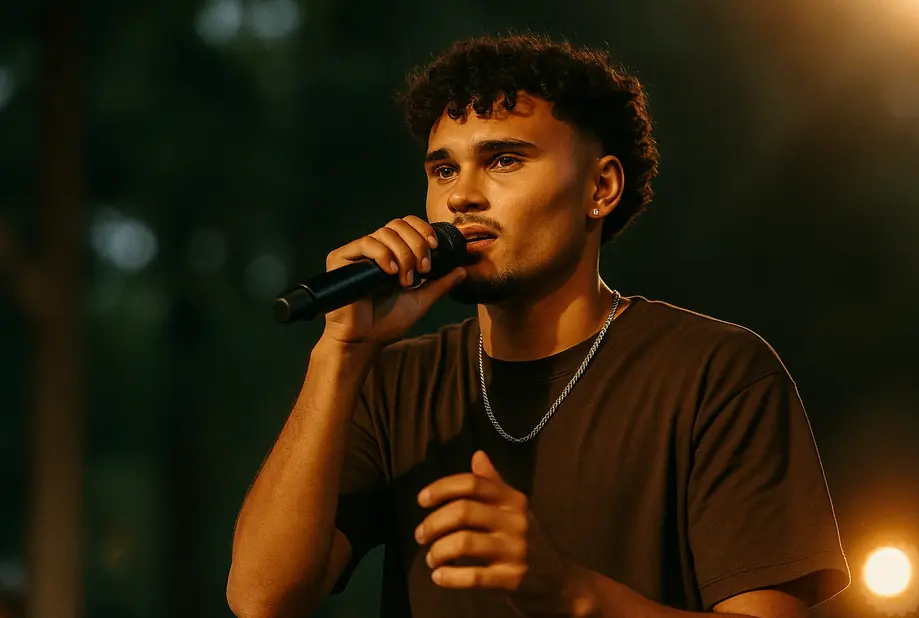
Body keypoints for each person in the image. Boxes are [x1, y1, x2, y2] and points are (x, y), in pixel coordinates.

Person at [226, 33, 850, 618]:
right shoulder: (391, 380)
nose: (461, 196)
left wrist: (568, 591)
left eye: (502, 161)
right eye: (443, 170)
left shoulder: (719, 372)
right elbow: (261, 598)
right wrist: (340, 349)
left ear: (600, 187)